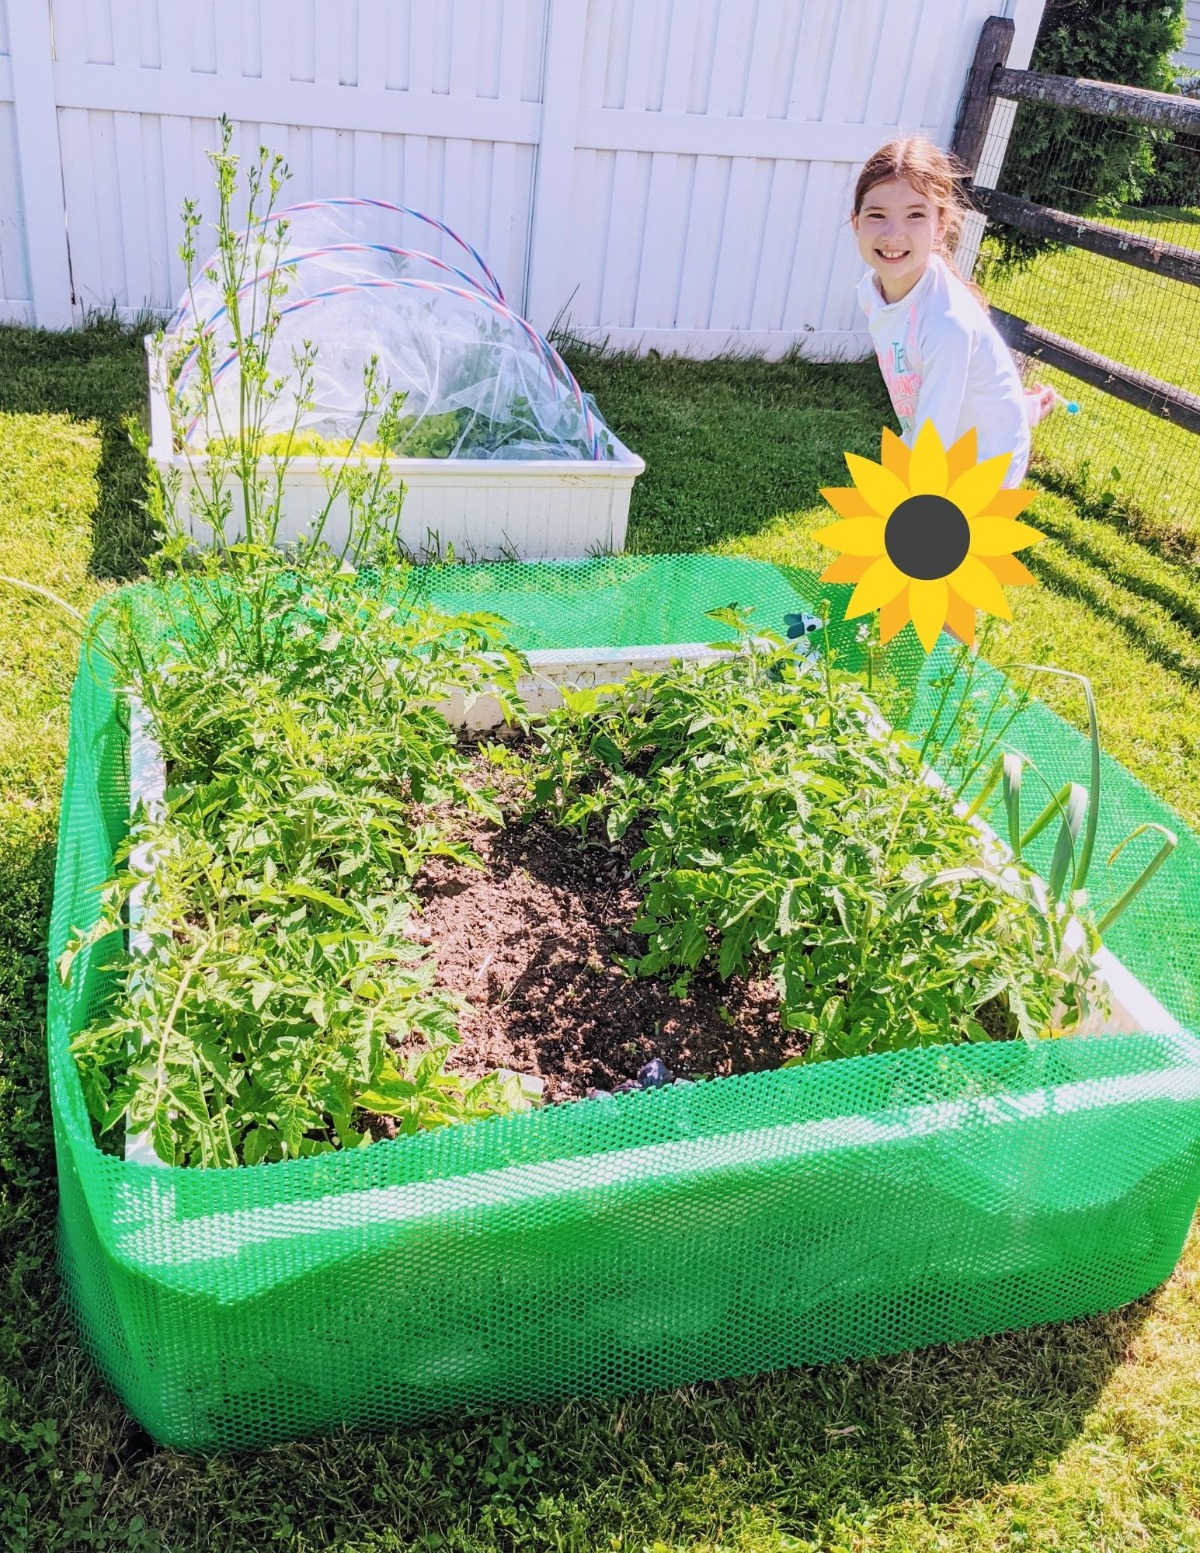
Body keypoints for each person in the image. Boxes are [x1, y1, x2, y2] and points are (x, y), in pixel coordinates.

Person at [850, 134, 1057, 489]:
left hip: (986, 469)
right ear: (856, 222)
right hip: (948, 436)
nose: (893, 234)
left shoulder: (947, 324)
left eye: (915, 214)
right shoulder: (871, 293)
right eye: (877, 214)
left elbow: (931, 447)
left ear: (941, 225)